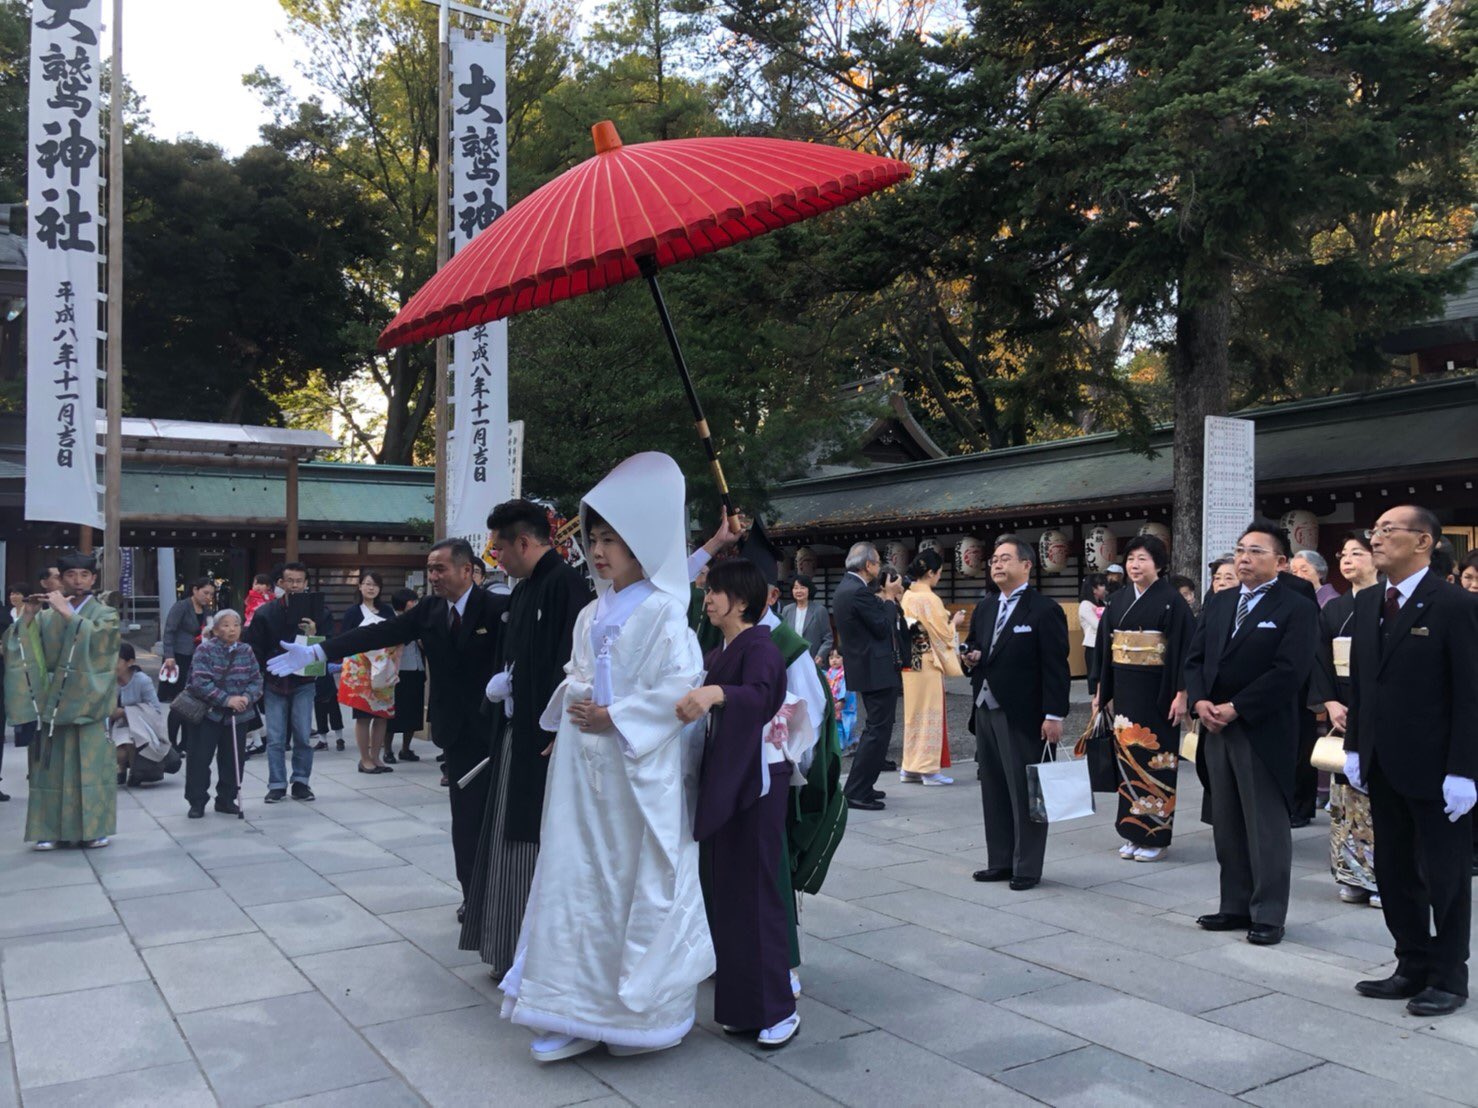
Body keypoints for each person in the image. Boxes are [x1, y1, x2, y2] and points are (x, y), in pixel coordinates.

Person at [498, 452, 711, 1063]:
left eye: (611, 539)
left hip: (635, 772)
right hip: (582, 766)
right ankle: (569, 1006)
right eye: (593, 539)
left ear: (641, 545)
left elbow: (682, 684)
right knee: (572, 878)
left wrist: (614, 716)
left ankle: (635, 1017)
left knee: (629, 880)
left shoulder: (667, 612)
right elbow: (577, 673)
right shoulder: (591, 612)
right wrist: (566, 717)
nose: (598, 551)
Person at [271, 541, 507, 910]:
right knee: (466, 821)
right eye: (429, 568)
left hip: (497, 730)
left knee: (502, 820)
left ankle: (505, 894)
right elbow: (377, 634)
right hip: (457, 733)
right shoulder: (429, 609)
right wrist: (319, 651)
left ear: (466, 570)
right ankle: (472, 896)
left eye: (440, 568)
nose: (433, 576)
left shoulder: (498, 608)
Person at [1343, 506, 1478, 1017]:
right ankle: (1411, 964)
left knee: (1443, 875)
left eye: (1386, 531)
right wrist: (1356, 744)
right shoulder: (1372, 598)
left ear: (1423, 541)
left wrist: (1465, 769)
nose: (1374, 538)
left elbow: (1471, 693)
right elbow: (1361, 683)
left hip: (1438, 767)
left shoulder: (1454, 604)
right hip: (1382, 761)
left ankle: (1449, 976)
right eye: (1373, 530)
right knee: (1395, 872)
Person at [462, 498, 590, 980]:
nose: (495, 556)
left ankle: (530, 951)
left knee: (532, 839)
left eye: (498, 547)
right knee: (505, 833)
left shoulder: (567, 586)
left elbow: (573, 667)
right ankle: (505, 945)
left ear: (523, 541)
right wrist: (505, 683)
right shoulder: (522, 591)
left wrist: (561, 726)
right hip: (517, 729)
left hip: (546, 736)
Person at [683, 557, 799, 1049]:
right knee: (728, 894)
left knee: (756, 893)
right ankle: (740, 1005)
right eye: (708, 590)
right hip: (729, 776)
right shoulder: (723, 648)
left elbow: (762, 698)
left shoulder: (762, 647)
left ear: (743, 600)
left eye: (716, 592)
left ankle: (777, 1008)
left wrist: (716, 693)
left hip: (756, 780)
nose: (708, 599)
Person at [1184, 520, 1318, 946]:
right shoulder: (1220, 603)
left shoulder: (1295, 607)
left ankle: (1268, 913)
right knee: (1227, 821)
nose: (1244, 557)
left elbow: (1290, 671)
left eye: (1256, 551)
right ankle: (1234, 905)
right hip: (1215, 728)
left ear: (1280, 561)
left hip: (1262, 728)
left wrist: (1236, 707)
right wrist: (1200, 700)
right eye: (1240, 549)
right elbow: (1196, 659)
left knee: (1265, 826)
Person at [962, 537, 1070, 891]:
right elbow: (978, 647)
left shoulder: (1043, 610)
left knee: (1027, 792)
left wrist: (1054, 714)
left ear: (1027, 565)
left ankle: (1027, 865)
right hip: (986, 708)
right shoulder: (986, 607)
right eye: (993, 559)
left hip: (1025, 713)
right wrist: (971, 657)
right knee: (993, 788)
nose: (996, 564)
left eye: (1005, 558)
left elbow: (1056, 668)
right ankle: (1000, 860)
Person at [4, 552, 121, 849]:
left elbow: (103, 646)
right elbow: (19, 648)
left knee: (90, 769)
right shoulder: (44, 615)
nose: (77, 581)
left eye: (84, 575)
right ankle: (48, 829)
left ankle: (94, 829)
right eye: (70, 575)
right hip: (52, 701)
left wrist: (68, 614)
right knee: (48, 768)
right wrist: (28, 616)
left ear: (93, 579)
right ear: (61, 578)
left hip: (88, 700)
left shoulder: (105, 614)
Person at [1092, 534, 1193, 862]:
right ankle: (1131, 830)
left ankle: (1155, 835)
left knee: (1156, 761)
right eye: (1131, 558)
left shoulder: (1172, 601)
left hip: (1158, 691)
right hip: (1124, 690)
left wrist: (1182, 693)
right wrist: (1100, 693)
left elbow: (1185, 651)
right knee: (1127, 761)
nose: (1135, 565)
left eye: (1143, 559)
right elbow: (1105, 651)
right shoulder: (1118, 600)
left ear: (1159, 565)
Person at [1310, 531, 1380, 906]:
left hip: (1381, 708)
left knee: (1378, 794)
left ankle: (1383, 876)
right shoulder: (1334, 609)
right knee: (1344, 794)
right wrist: (1330, 702)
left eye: (1357, 552)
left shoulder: (1390, 603)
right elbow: (1319, 658)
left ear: (1375, 558)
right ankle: (1352, 873)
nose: (1348, 559)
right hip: (1343, 706)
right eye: (1343, 554)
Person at [245, 562, 328, 804]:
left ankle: (301, 782)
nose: (294, 585)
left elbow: (329, 643)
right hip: (274, 680)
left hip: (304, 680)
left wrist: (313, 632)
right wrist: (257, 677)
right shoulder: (265, 612)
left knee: (303, 734)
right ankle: (277, 784)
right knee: (276, 736)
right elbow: (254, 648)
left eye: (299, 581)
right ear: (280, 583)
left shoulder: (319, 611)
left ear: (305, 584)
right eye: (289, 581)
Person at [833, 542, 902, 811]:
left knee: (877, 728)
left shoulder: (845, 588)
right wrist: (888, 599)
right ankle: (856, 790)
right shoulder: (859, 592)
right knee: (877, 730)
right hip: (874, 669)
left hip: (866, 667)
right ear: (869, 565)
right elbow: (882, 627)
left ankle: (863, 785)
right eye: (876, 563)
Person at [184, 610, 262, 818]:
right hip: (208, 714)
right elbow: (199, 682)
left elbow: (256, 680)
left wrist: (246, 697)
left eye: (235, 624)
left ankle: (227, 799)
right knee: (200, 760)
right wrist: (227, 700)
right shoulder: (205, 650)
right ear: (216, 630)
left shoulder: (247, 650)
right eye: (226, 625)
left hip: (238, 715)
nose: (231, 629)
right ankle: (197, 801)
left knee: (233, 760)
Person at [899, 549, 965, 787]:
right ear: (930, 573)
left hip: (912, 658)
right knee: (929, 713)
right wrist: (954, 623)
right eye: (938, 573)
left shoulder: (907, 596)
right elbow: (942, 633)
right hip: (926, 659)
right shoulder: (929, 598)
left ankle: (910, 767)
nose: (939, 577)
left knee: (913, 714)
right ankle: (928, 769)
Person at [340, 571, 396, 772]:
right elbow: (344, 640)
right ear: (360, 586)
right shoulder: (353, 613)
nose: (371, 588)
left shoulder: (388, 611)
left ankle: (376, 757)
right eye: (367, 584)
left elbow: (395, 636)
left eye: (375, 585)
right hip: (361, 670)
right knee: (363, 716)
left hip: (383, 668)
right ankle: (365, 759)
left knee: (381, 715)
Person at [160, 577, 215, 749]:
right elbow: (169, 631)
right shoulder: (181, 606)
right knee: (179, 702)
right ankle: (172, 741)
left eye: (211, 594)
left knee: (193, 700)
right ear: (195, 590)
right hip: (178, 656)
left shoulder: (207, 611)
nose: (208, 597)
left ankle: (187, 741)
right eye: (205, 593)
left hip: (197, 657)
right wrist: (169, 655)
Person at [386, 588, 425, 761]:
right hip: (398, 671)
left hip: (417, 669)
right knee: (394, 714)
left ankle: (405, 749)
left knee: (413, 712)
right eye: (412, 601)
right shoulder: (392, 620)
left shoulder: (419, 619)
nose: (415, 604)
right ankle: (387, 750)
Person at [780, 575, 833, 666]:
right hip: (791, 660)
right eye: (795, 588)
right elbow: (782, 635)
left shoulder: (819, 610)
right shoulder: (787, 610)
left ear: (809, 590)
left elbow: (828, 638)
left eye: (802, 588)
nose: (799, 591)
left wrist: (820, 655)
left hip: (812, 660)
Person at [1078, 574, 1107, 696]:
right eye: (1101, 585)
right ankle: (1096, 713)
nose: (1104, 588)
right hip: (1093, 646)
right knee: (1097, 684)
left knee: (1105, 683)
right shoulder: (1085, 605)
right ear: (1093, 589)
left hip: (1104, 645)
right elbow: (1098, 625)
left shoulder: (1103, 603)